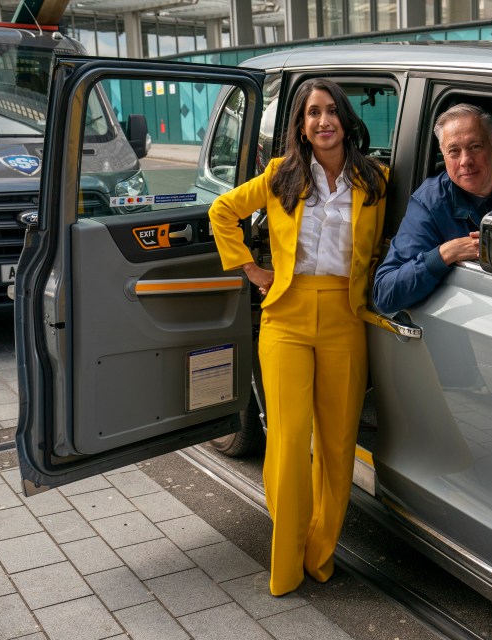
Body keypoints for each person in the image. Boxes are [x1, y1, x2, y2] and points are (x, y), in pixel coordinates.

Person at [208, 78, 388, 597]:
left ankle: (319, 554)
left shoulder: (375, 180)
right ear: (301, 125)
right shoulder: (280, 175)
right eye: (313, 113)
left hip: (344, 317)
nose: (323, 121)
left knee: (336, 447)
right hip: (285, 316)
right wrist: (252, 271)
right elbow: (222, 212)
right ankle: (284, 563)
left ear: (345, 119)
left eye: (331, 112)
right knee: (288, 445)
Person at [372, 103, 492, 314]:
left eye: (475, 147)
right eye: (454, 151)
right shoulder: (429, 204)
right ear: (443, 154)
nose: (466, 161)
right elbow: (386, 293)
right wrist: (446, 253)